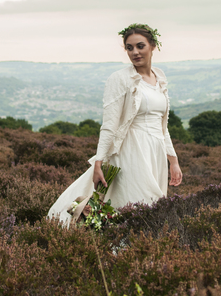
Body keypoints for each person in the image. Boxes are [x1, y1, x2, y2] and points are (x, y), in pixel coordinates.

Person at [47, 24, 183, 225]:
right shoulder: (120, 79)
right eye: (129, 48)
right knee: (139, 203)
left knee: (154, 206)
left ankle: (143, 252)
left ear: (153, 46)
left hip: (155, 153)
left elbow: (162, 126)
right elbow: (109, 125)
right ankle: (121, 251)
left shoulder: (159, 78)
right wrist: (98, 163)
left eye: (140, 46)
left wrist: (173, 160)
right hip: (131, 151)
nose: (135, 52)